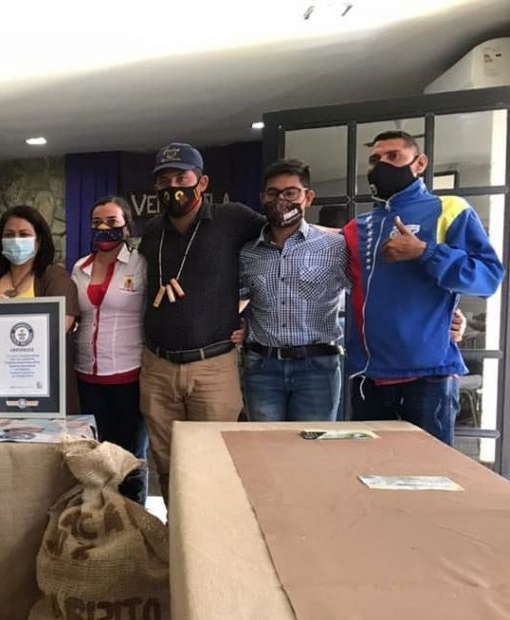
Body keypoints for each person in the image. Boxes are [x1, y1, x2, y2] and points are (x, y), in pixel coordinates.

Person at [342, 130, 503, 444]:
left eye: (393, 156)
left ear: (420, 163)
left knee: (430, 469)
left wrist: (426, 252)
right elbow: (320, 244)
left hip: (428, 376)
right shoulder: (358, 227)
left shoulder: (449, 209)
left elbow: (488, 278)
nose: (381, 165)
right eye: (375, 159)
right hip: (368, 376)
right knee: (369, 467)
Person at [139, 143, 265, 500]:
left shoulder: (232, 219)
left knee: (214, 462)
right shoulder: (152, 230)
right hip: (158, 367)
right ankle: (176, 529)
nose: (172, 187)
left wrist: (252, 317)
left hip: (213, 367)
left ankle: (214, 529)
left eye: (182, 178)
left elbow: (279, 247)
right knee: (167, 463)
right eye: (164, 180)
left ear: (202, 182)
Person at [239, 159, 349, 421]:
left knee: (313, 443)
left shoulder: (335, 247)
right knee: (264, 443)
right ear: (262, 198)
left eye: (290, 193)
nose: (281, 200)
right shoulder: (248, 252)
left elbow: (365, 297)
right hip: (262, 367)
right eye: (273, 193)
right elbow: (239, 299)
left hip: (317, 368)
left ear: (308, 197)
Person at [71, 196, 148, 504]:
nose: (104, 228)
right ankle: (101, 521)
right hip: (87, 376)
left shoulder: (141, 264)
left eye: (112, 222)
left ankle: (135, 522)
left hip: (130, 375)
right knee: (98, 456)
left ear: (126, 226)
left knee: (129, 459)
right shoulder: (80, 268)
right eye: (97, 223)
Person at [0, 204, 80, 409]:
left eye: (24, 234)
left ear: (39, 240)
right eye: (9, 235)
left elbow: (58, 327)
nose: (16, 240)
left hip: (43, 388)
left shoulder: (54, 277)